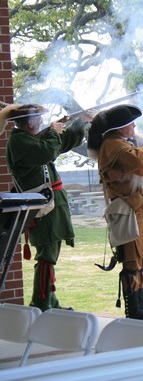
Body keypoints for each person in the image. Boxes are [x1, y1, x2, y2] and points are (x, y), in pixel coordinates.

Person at [1, 103, 92, 311]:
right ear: (30, 122)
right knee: (46, 256)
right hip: (42, 207)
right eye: (39, 118)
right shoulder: (19, 141)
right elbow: (48, 150)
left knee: (50, 255)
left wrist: (80, 122)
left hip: (49, 204)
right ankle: (41, 302)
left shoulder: (31, 139)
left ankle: (50, 300)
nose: (42, 121)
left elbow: (60, 144)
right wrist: (53, 131)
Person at [87, 104, 143, 322]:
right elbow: (141, 162)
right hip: (130, 210)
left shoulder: (121, 142)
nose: (134, 127)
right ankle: (133, 308)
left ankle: (140, 304)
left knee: (141, 259)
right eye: (130, 124)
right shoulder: (113, 146)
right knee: (132, 261)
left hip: (140, 208)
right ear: (121, 128)